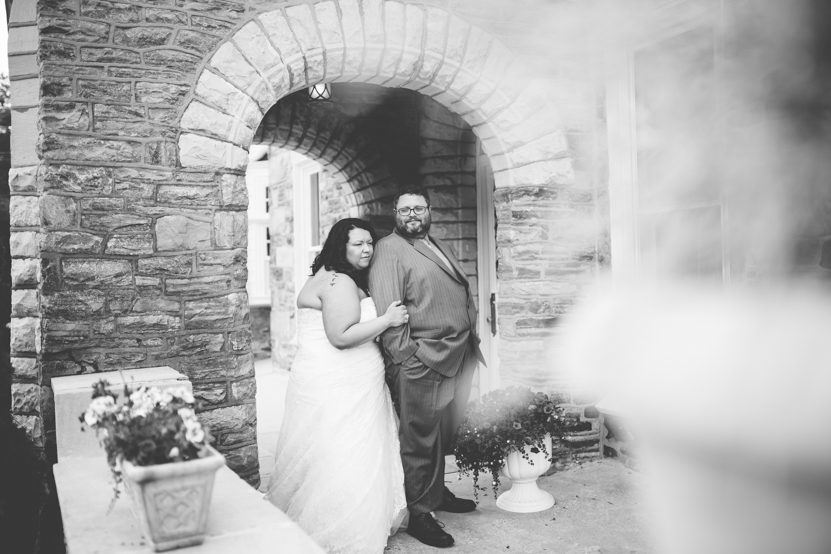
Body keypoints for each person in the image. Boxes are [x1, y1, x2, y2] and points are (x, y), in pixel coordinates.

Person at [264, 218, 409, 554]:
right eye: (358, 244)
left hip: (328, 377)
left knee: (326, 449)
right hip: (343, 380)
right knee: (346, 451)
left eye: (370, 243)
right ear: (340, 246)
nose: (367, 249)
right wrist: (387, 320)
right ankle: (344, 527)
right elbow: (340, 337)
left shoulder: (327, 274)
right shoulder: (340, 281)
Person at [368, 187, 484, 548]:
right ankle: (420, 513)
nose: (412, 215)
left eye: (418, 208)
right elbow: (388, 307)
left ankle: (437, 493)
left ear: (429, 210)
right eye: (405, 210)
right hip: (421, 360)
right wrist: (407, 357)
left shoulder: (437, 243)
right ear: (395, 214)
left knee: (442, 434)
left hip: (457, 354)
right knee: (419, 439)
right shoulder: (389, 249)